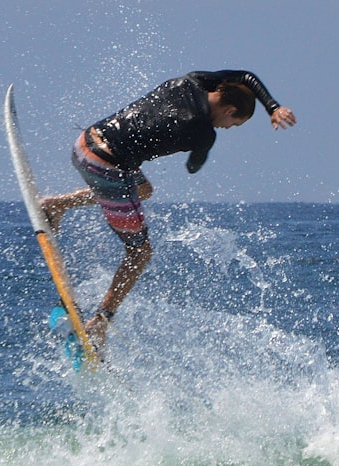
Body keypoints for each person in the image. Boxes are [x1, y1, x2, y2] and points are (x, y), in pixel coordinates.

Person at [40, 70, 296, 347]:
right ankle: (100, 322)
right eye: (232, 123)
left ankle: (57, 204)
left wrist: (273, 106)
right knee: (140, 253)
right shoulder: (202, 131)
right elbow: (193, 167)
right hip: (105, 166)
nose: (227, 128)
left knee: (143, 189)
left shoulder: (192, 80)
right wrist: (201, 148)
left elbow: (245, 76)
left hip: (86, 142)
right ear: (229, 109)